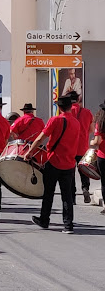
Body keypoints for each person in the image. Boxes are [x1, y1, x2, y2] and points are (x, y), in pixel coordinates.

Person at [25, 95, 80, 234]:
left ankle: (44, 220)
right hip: (69, 163)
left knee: (48, 193)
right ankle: (68, 225)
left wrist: (29, 152)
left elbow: (40, 138)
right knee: (67, 195)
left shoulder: (55, 120)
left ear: (59, 107)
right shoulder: (76, 122)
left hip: (54, 161)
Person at [69, 91, 94, 204]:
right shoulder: (87, 112)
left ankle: (72, 197)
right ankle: (85, 189)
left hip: (69, 147)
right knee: (83, 171)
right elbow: (92, 129)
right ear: (79, 99)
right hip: (83, 147)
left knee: (70, 173)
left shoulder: (67, 112)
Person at [90, 100, 105, 215]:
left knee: (104, 182)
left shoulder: (100, 123)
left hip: (103, 156)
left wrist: (91, 142)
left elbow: (97, 141)